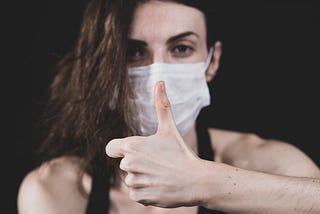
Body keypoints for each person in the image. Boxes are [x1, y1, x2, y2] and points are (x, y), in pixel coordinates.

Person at [17, 0, 320, 213]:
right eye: (133, 51)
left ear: (211, 61)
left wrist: (207, 183)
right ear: (101, 66)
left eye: (181, 48)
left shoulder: (262, 163)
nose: (158, 74)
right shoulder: (57, 190)